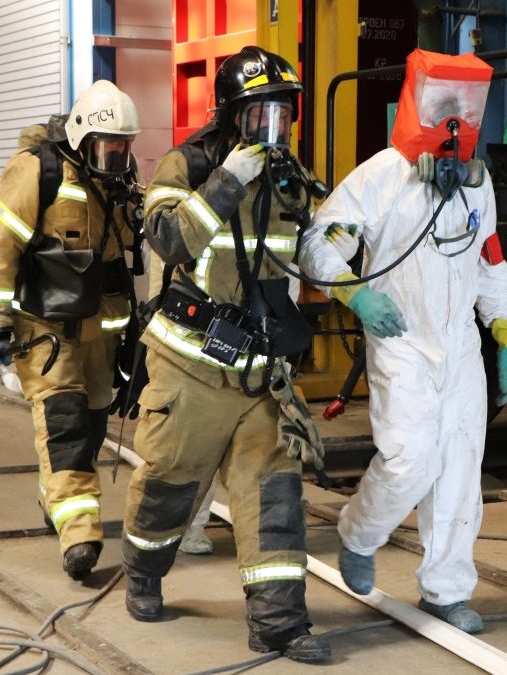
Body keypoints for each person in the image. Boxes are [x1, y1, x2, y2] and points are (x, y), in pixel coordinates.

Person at [298, 49, 507, 633]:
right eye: (443, 109)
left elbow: (490, 262)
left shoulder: (477, 185)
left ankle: (446, 591)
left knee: (460, 470)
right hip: (402, 342)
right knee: (411, 460)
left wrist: (505, 334)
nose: (454, 124)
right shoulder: (380, 177)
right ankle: (359, 533)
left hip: (461, 347)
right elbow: (318, 244)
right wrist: (356, 295)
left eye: (464, 111)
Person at [120, 46, 329, 664]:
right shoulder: (189, 164)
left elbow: (306, 253)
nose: (273, 126)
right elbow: (166, 238)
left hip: (260, 370)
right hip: (190, 363)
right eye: (260, 112)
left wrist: (341, 245)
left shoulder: (291, 177)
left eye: (283, 113)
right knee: (169, 483)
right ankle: (143, 573)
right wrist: (226, 181)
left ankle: (279, 624)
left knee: (275, 496)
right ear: (232, 114)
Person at [0, 79, 142, 579]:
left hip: (101, 335)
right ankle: (80, 536)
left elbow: (124, 253)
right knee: (65, 426)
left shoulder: (121, 181)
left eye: (125, 148)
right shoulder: (37, 172)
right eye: (109, 148)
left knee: (89, 430)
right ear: (83, 139)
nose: (118, 158)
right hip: (44, 331)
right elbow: (0, 249)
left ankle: (57, 498)